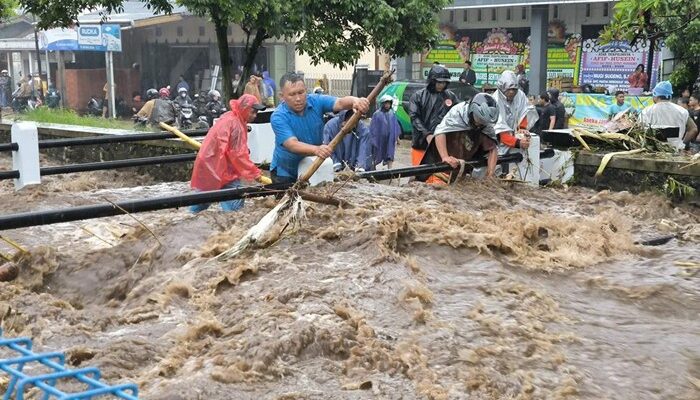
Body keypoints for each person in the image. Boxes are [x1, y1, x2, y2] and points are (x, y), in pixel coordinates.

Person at [269, 71, 369, 183]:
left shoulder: (316, 100)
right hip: (285, 172)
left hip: (313, 166)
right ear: (282, 96)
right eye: (292, 94)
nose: (298, 98)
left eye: (301, 92)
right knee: (287, 200)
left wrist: (355, 101)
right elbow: (292, 144)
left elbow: (340, 103)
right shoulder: (278, 116)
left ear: (306, 90)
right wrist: (316, 149)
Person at [190, 94, 270, 212]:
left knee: (203, 200)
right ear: (244, 109)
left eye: (256, 113)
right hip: (218, 166)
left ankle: (184, 221)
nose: (254, 115)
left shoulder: (231, 117)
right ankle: (232, 227)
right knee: (235, 202)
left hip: (211, 163)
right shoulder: (236, 125)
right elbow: (238, 155)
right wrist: (255, 173)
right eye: (252, 112)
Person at [421, 93, 500, 179]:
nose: (480, 123)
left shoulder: (485, 125)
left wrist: (490, 174)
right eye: (479, 119)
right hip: (441, 159)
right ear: (472, 111)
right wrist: (445, 157)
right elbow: (440, 132)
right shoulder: (457, 113)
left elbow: (492, 149)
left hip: (464, 162)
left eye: (484, 122)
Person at [409, 64, 458, 166]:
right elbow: (414, 118)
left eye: (444, 82)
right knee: (419, 176)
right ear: (432, 80)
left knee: (439, 178)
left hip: (443, 147)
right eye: (439, 82)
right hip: (421, 145)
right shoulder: (418, 96)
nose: (442, 85)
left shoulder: (451, 97)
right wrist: (427, 134)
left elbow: (457, 116)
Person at [639, 81, 698, 147]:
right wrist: (683, 143)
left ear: (656, 96)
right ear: (670, 96)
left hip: (651, 150)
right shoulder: (682, 111)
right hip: (675, 151)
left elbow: (640, 130)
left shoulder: (645, 111)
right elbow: (693, 129)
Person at [493, 70, 536, 151]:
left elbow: (524, 111)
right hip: (499, 145)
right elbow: (499, 130)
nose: (512, 92)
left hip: (516, 141)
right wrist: (517, 142)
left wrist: (522, 127)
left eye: (514, 89)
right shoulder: (495, 100)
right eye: (509, 89)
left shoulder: (520, 95)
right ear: (502, 88)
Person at [369, 94, 402, 170]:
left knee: (390, 154)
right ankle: (372, 168)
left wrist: (397, 138)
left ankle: (390, 170)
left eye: (389, 103)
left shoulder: (392, 114)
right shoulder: (377, 114)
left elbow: (395, 127)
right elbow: (373, 128)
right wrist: (372, 140)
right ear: (382, 103)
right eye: (386, 103)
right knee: (377, 154)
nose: (387, 105)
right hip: (379, 139)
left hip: (389, 140)